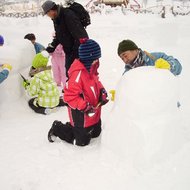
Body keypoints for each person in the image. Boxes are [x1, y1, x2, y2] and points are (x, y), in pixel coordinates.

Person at [47, 38, 109, 146]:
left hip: (94, 110)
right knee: (82, 141)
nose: (97, 61)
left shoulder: (91, 69)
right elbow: (69, 96)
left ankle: (84, 128)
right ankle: (58, 128)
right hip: (81, 112)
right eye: (95, 59)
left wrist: (102, 91)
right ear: (88, 59)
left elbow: (96, 82)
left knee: (96, 133)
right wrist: (84, 106)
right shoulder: (77, 74)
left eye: (98, 58)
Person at [41, 0, 89, 76]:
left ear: (51, 10)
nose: (47, 15)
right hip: (69, 51)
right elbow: (59, 36)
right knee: (70, 74)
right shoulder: (56, 18)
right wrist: (50, 48)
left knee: (76, 74)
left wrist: (77, 54)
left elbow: (81, 35)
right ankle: (72, 87)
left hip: (77, 52)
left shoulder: (68, 15)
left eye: (47, 13)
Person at [22, 50, 64, 115]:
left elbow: (32, 93)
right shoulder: (48, 73)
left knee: (31, 102)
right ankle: (58, 104)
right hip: (55, 101)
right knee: (50, 95)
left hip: (45, 104)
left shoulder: (36, 77)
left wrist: (26, 86)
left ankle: (44, 110)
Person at [117, 39, 182, 76]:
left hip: (165, 97)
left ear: (135, 50)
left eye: (125, 55)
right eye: (122, 58)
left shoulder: (156, 57)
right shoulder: (127, 73)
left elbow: (178, 68)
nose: (125, 60)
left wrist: (169, 65)